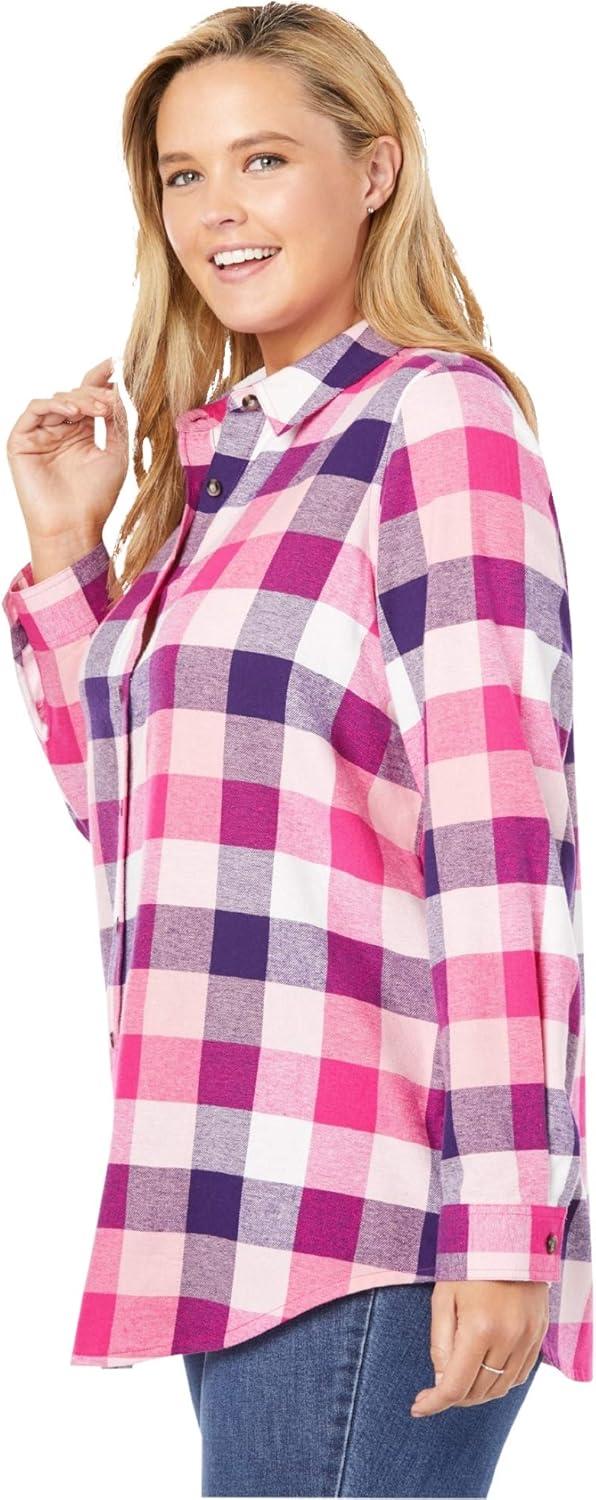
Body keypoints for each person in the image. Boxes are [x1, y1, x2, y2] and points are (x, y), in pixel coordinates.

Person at [3, 3, 592, 1496]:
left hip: (374, 1213)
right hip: (221, 1192)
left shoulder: (435, 422)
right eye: (183, 174)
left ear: (374, 169)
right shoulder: (230, 466)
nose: (219, 209)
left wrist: (505, 1226)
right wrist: (69, 550)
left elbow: (499, 844)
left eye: (262, 159)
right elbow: (139, 825)